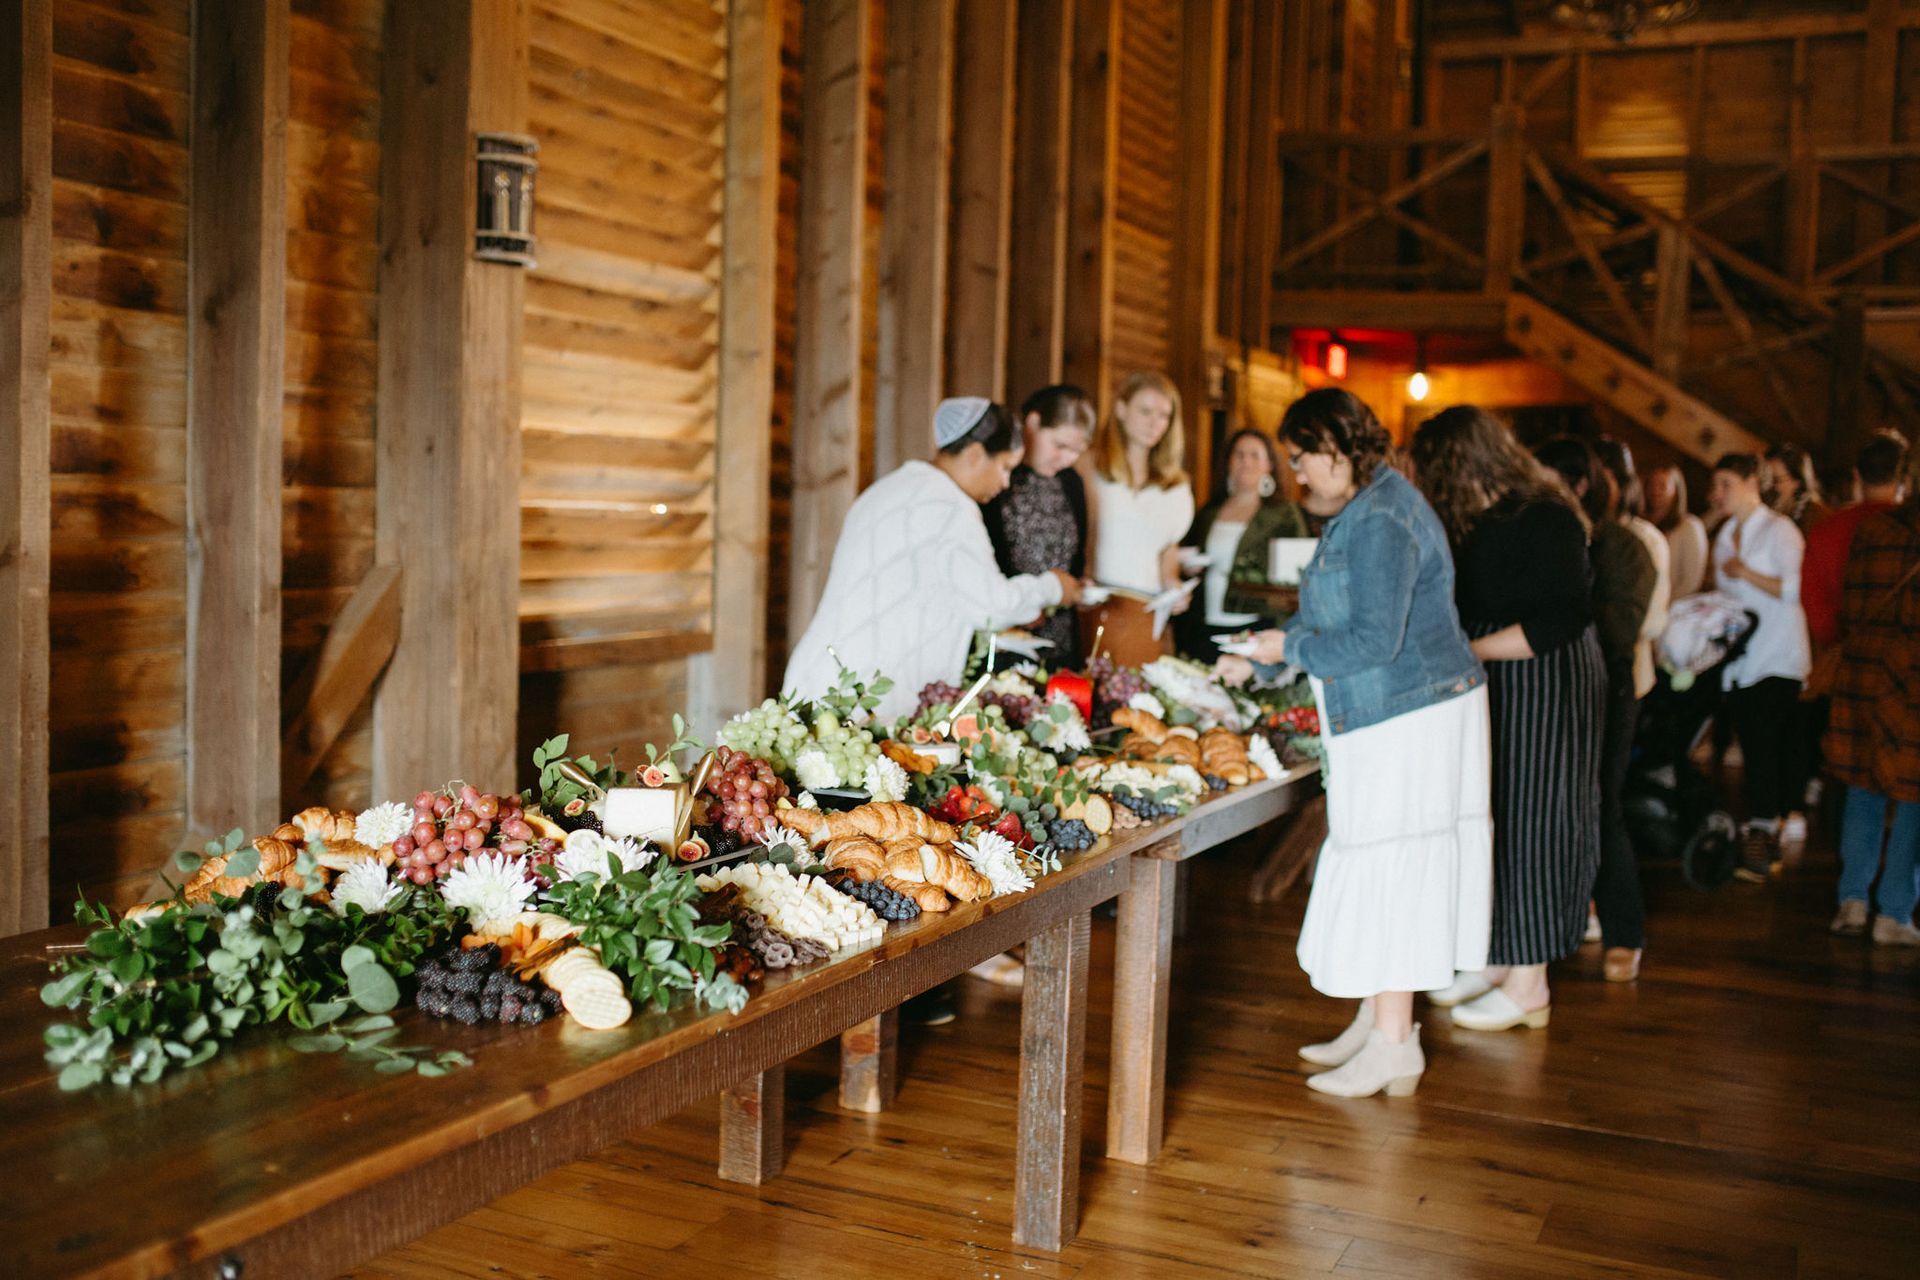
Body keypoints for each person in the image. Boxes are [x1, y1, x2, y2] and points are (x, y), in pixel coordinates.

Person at [1216, 389, 1489, 1099]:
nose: (1299, 475)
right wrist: (1269, 658)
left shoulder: (1383, 517)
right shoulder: (1366, 508)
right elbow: (1332, 623)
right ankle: (1377, 1025)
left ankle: (1395, 1044)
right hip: (1391, 710)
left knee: (1392, 867)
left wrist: (1289, 643)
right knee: (1378, 861)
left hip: (1409, 713)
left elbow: (1373, 639)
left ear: (1338, 446)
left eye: (1304, 459)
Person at [1412, 407, 1605, 1033]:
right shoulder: (1479, 518)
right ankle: (1501, 955)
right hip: (1498, 677)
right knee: (1495, 810)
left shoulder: (1546, 515)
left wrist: (1471, 651)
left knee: (1540, 815)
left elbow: (1562, 619)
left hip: (1546, 676)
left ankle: (1531, 981)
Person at [784, 398, 1081, 724]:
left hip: (819, 675)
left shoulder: (888, 488)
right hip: (862, 697)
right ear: (974, 455)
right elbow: (992, 606)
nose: (1006, 483)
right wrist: (1053, 587)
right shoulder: (951, 508)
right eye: (1005, 467)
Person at [1536, 437, 1660, 984]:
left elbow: (1621, 633)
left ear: (1577, 484)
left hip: (1610, 688)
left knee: (1603, 805)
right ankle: (1559, 919)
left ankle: (1624, 931)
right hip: (1547, 685)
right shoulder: (1541, 540)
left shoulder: (1623, 547)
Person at [1824, 446, 1920, 946]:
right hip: (1913, 685)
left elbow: (1852, 606)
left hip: (1864, 677)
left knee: (1862, 788)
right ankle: (1895, 913)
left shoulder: (1874, 530)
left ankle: (1852, 901)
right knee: (1913, 801)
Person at [1709, 453, 1811, 881]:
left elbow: (1791, 589)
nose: (1718, 494)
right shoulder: (1725, 533)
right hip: (1741, 658)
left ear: (1752, 481)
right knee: (1753, 745)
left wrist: (1745, 571)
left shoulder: (1779, 529)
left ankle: (1764, 832)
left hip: (1778, 655)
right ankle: (1758, 830)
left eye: (1726, 484)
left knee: (1767, 745)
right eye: (1715, 485)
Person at [1083, 371, 1195, 664]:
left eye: (1164, 415)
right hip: (1096, 606)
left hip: (1147, 613)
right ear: (1121, 409)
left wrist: (1174, 586)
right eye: (1145, 411)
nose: (1154, 423)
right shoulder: (1090, 468)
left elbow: (1167, 552)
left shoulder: (1175, 486)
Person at [982, 385, 1097, 663]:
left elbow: (1075, 556)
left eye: (1076, 450)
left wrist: (1079, 586)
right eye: (1060, 445)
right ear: (1032, 424)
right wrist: (1024, 606)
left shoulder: (1071, 482)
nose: (1068, 459)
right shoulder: (996, 478)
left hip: (1061, 638)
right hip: (1008, 635)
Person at [1177, 427, 1309, 660]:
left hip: (1255, 626)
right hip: (1204, 623)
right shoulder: (1208, 512)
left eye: (1254, 455)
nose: (1246, 462)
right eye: (1239, 454)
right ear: (1228, 462)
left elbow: (1296, 575)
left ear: (1269, 464)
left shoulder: (1284, 514)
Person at [1647, 464, 1710, 598]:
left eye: (1662, 485)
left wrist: (1665, 606)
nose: (1655, 490)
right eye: (1651, 484)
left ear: (1676, 490)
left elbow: (1691, 583)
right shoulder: (1645, 523)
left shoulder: (1689, 526)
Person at [1767, 443, 1830, 532]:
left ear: (1797, 482)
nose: (1771, 487)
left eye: (1776, 480)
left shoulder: (1815, 517)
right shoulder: (1767, 506)